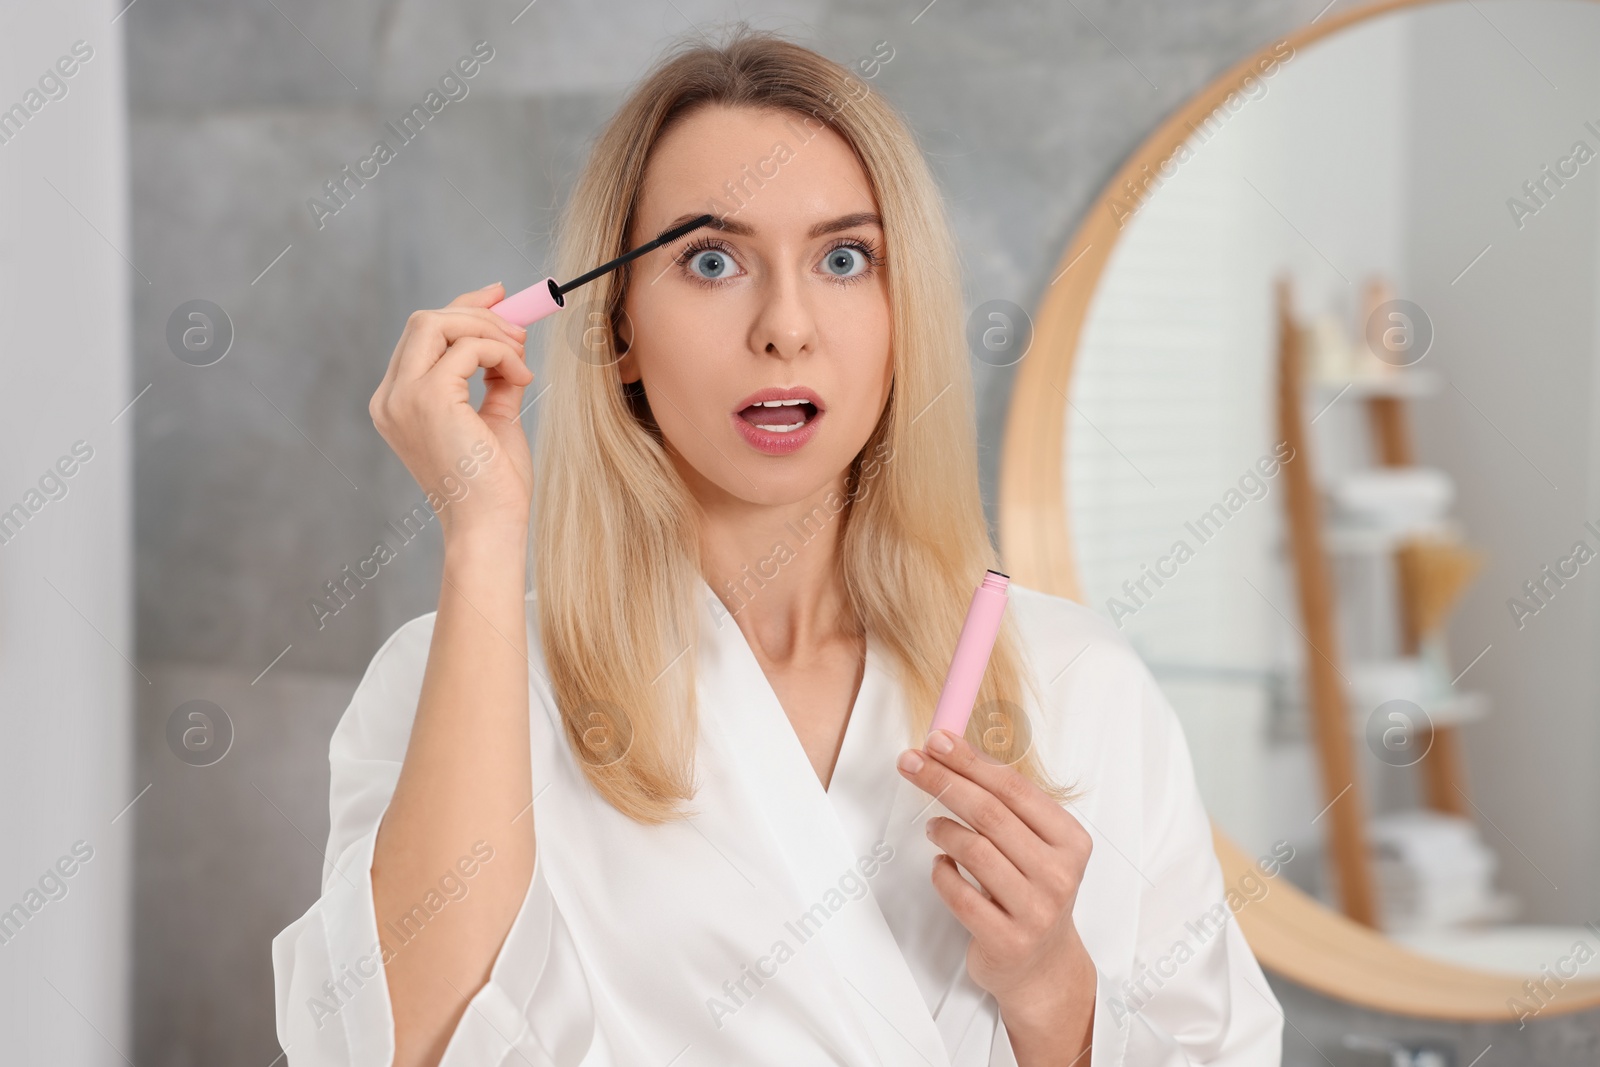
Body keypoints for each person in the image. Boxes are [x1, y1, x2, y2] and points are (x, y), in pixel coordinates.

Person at [271, 25, 1284, 1067]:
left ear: (902, 312)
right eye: (712, 261)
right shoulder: (462, 682)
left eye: (844, 258)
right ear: (616, 325)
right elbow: (387, 1048)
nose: (786, 327)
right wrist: (483, 536)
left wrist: (1053, 993)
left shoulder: (1081, 686)